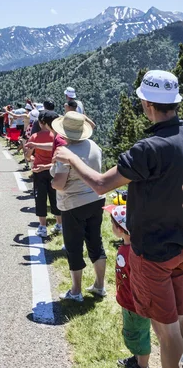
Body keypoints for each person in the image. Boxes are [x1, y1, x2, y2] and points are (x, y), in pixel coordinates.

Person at [54, 70, 183, 368]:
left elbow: (100, 185)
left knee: (166, 330)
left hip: (153, 251)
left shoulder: (148, 149)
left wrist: (69, 158)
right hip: (180, 245)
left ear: (146, 104)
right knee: (179, 325)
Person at [50, 111, 106, 302]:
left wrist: (51, 181)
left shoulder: (66, 153)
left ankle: (76, 291)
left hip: (73, 204)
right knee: (95, 242)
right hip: (96, 199)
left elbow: (59, 184)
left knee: (74, 247)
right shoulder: (94, 146)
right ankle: (100, 285)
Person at [104, 204, 151, 368]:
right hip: (128, 301)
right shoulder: (126, 247)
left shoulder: (133, 253)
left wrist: (138, 302)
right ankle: (137, 358)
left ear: (120, 228)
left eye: (112, 223)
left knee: (139, 334)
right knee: (132, 333)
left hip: (136, 304)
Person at [25, 111, 62, 238]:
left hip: (39, 171)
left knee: (40, 198)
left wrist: (31, 156)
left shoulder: (34, 137)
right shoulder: (57, 136)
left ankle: (42, 226)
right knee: (55, 197)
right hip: (54, 170)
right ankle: (59, 224)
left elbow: (28, 155)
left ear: (42, 123)